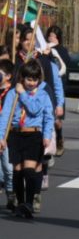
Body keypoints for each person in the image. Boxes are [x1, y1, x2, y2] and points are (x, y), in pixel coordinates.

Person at [0, 59, 54, 218]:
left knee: (29, 170)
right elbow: (5, 116)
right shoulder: (12, 94)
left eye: (35, 80)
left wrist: (47, 135)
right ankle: (20, 202)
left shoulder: (42, 94)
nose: (31, 83)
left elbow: (39, 112)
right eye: (28, 79)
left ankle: (29, 203)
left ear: (39, 80)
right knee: (17, 171)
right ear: (22, 77)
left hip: (34, 135)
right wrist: (2, 136)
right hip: (16, 134)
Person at [46, 25, 70, 157]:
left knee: (57, 120)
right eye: (50, 36)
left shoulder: (61, 51)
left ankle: (59, 138)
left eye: (54, 37)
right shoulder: (45, 49)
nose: (51, 38)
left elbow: (64, 65)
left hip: (58, 87)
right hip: (47, 88)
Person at [0, 59, 15, 209]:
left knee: (8, 168)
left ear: (8, 76)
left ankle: (11, 195)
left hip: (6, 135)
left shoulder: (12, 93)